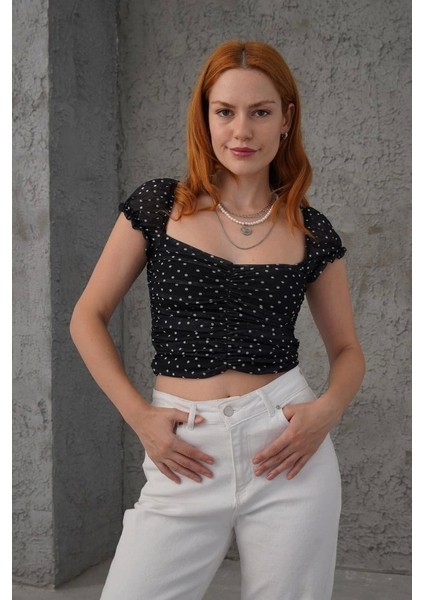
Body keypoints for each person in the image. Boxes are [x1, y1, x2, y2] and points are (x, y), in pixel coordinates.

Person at [70, 40, 365, 600]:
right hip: (184, 446)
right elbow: (87, 315)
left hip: (286, 448)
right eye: (225, 111)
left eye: (261, 112)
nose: (242, 131)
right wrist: (139, 417)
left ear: (286, 119)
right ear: (204, 118)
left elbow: (348, 350)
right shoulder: (160, 206)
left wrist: (326, 411)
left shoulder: (312, 232)